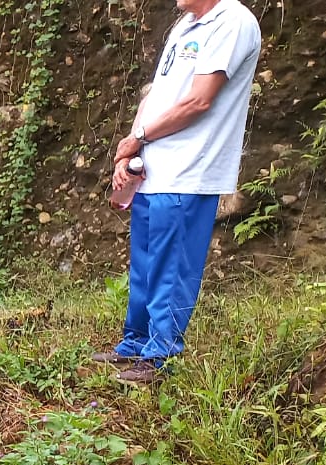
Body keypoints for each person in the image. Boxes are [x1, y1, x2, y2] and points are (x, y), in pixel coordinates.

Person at [101, 0, 261, 384]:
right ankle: (136, 343)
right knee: (145, 264)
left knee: (171, 268)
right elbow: (155, 95)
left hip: (190, 169)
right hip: (154, 167)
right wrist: (132, 146)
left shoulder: (232, 21)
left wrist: (139, 137)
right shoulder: (185, 25)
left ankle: (160, 357)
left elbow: (199, 100)